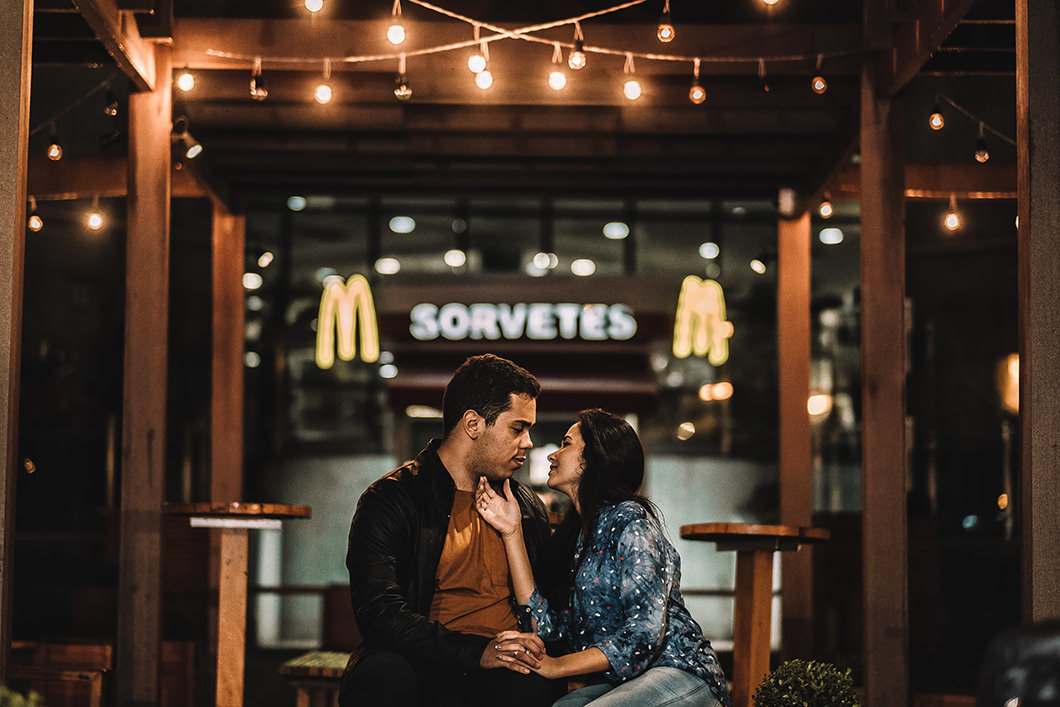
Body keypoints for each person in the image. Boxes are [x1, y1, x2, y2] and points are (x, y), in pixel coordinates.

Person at [340, 354, 560, 707]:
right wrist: (474, 652)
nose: (529, 442)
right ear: (473, 424)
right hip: (420, 658)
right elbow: (378, 610)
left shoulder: (527, 506)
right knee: (381, 676)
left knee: (532, 684)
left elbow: (550, 605)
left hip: (504, 667)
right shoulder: (393, 497)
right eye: (518, 428)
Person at [475, 408, 732, 707]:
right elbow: (550, 628)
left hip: (682, 669)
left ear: (593, 459)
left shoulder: (631, 521)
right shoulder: (581, 536)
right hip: (631, 681)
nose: (551, 455)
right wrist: (512, 531)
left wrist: (557, 667)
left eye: (566, 443)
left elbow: (644, 635)